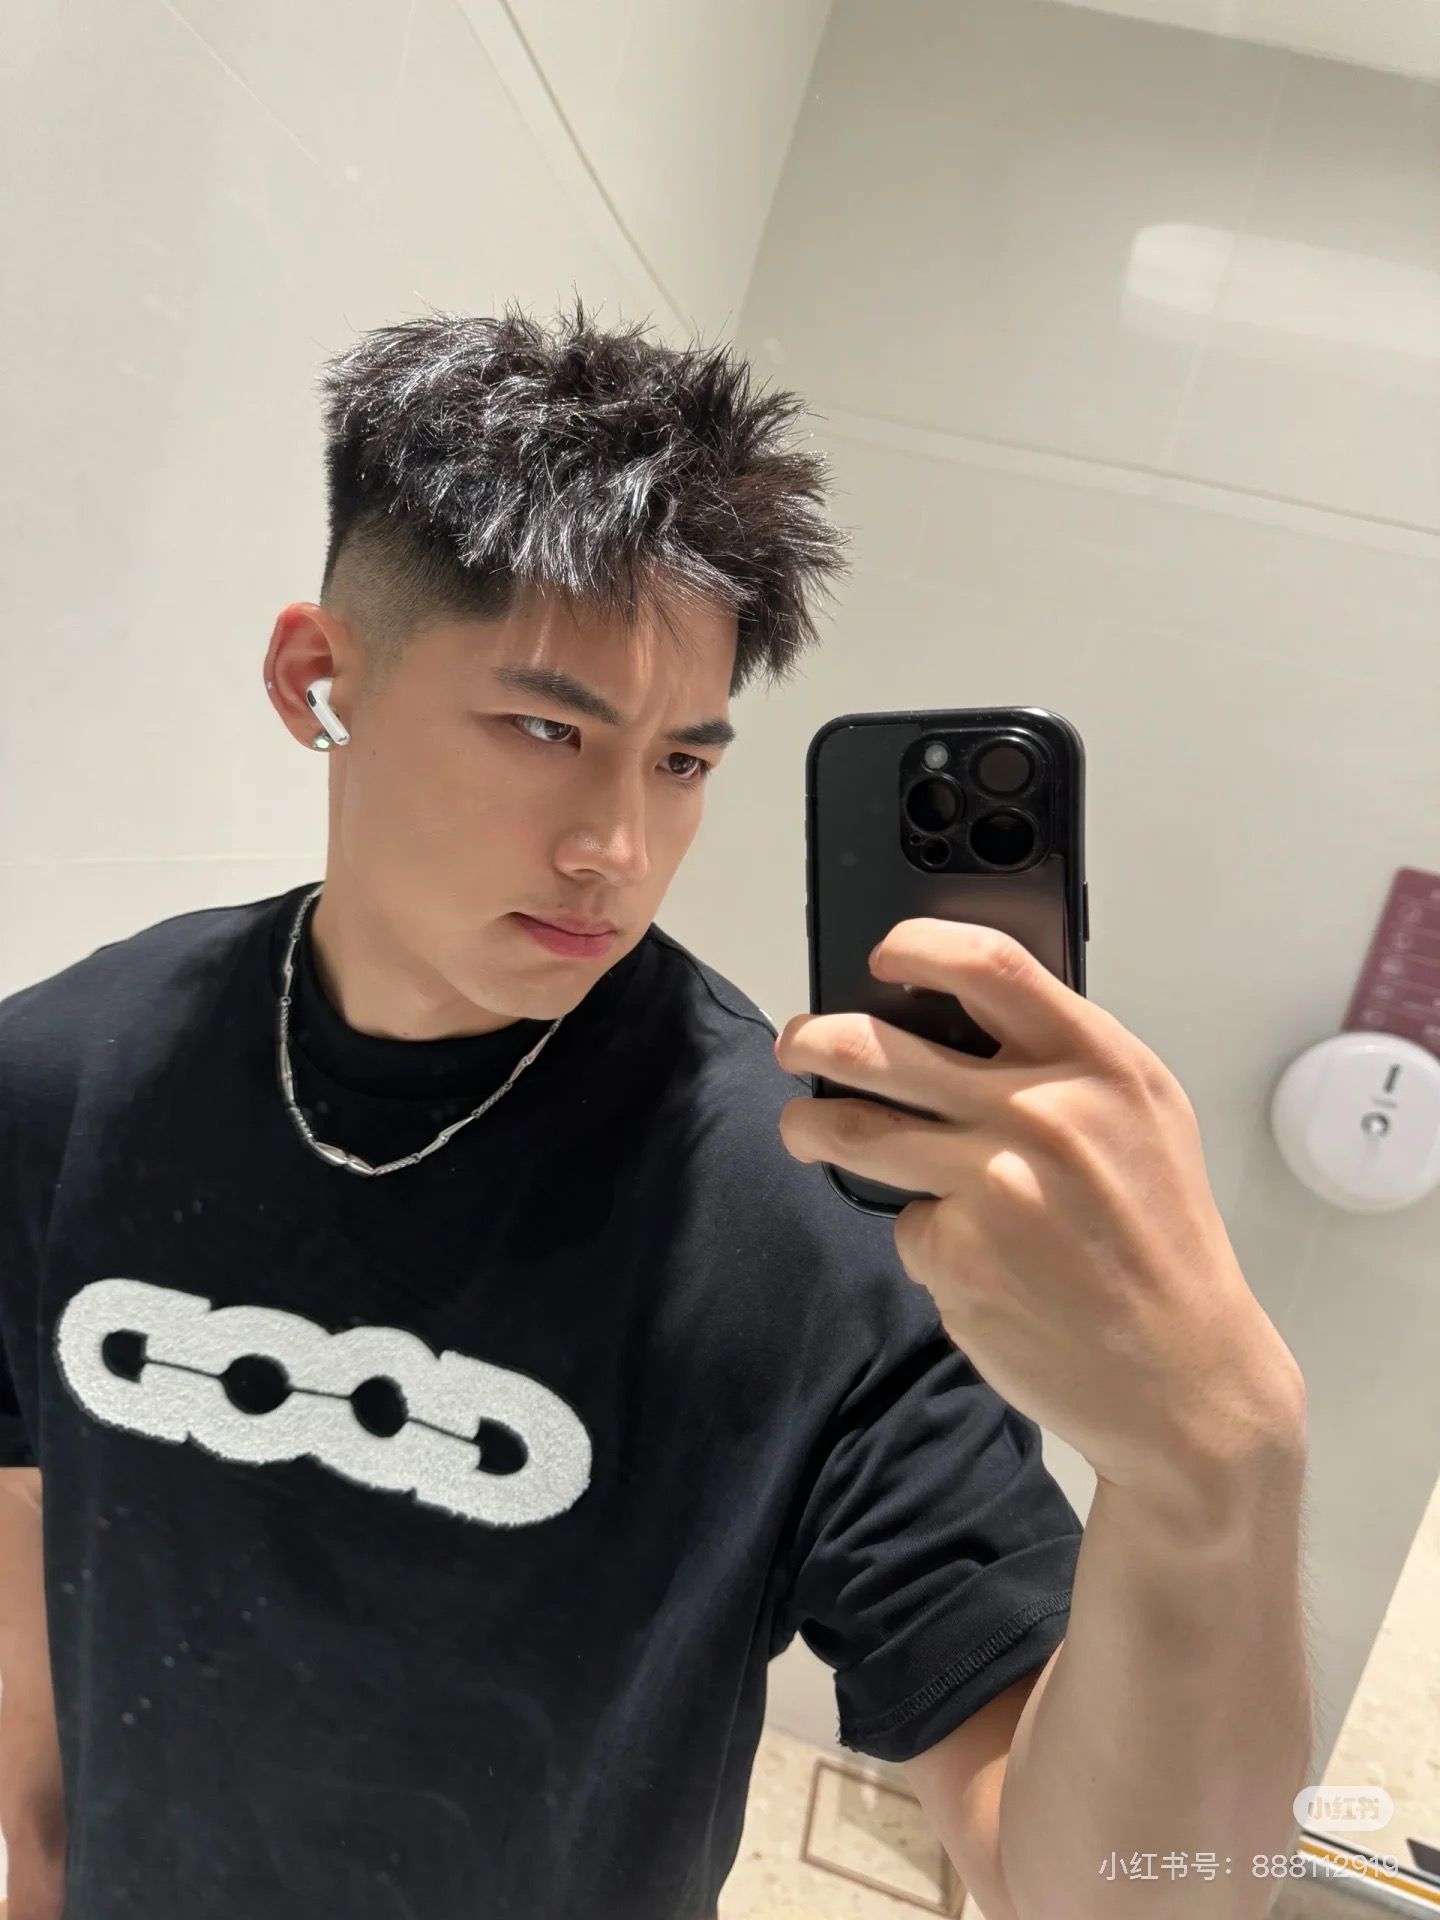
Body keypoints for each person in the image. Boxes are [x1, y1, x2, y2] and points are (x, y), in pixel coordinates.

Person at [0, 302, 1307, 1920]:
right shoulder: (57, 1083)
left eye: (682, 762)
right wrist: (40, 1865)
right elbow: (33, 1520)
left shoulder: (808, 1219)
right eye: (548, 730)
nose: (615, 849)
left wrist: (1215, 1469)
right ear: (319, 680)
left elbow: (1125, 1896)